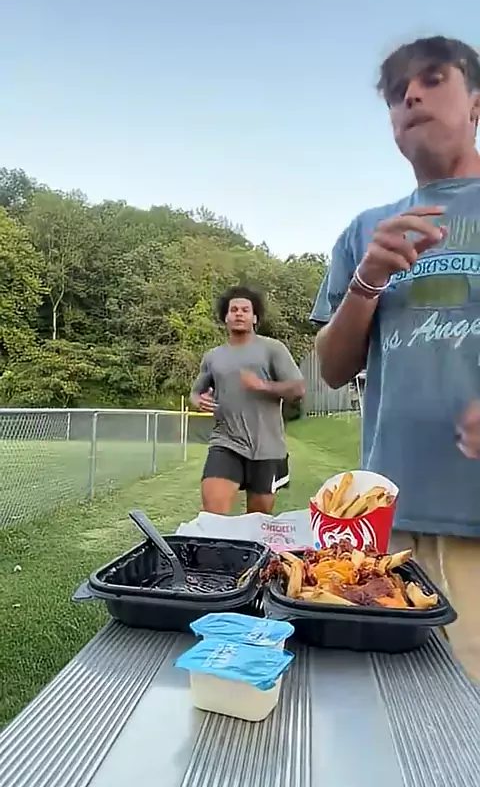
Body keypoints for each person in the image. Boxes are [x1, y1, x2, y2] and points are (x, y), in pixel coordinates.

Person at [311, 35, 480, 682]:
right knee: (391, 710)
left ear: (476, 104)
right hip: (385, 527)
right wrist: (366, 282)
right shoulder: (365, 231)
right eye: (395, 92)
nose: (410, 96)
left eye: (433, 79)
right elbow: (331, 369)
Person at [190, 286, 305, 515]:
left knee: (257, 520)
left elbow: (298, 389)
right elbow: (195, 392)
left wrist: (262, 385)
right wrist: (198, 400)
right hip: (226, 441)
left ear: (254, 317)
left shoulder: (273, 349)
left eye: (245, 310)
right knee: (213, 513)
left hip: (267, 448)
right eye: (234, 310)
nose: (239, 314)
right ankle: (214, 539)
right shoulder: (213, 357)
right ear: (226, 317)